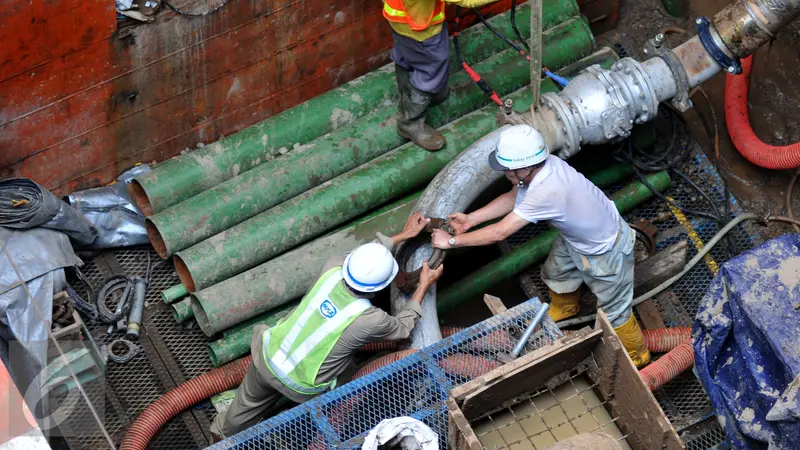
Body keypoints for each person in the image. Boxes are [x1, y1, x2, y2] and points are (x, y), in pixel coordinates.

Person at [430, 124, 651, 367]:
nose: (505, 174)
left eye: (508, 170)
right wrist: (470, 219)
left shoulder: (548, 190)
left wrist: (451, 241)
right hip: (577, 241)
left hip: (606, 252)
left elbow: (499, 232)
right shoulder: (543, 166)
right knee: (555, 272)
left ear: (525, 167)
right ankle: (566, 308)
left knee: (615, 312)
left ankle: (636, 356)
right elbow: (514, 197)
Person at [211, 212, 444, 439]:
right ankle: (311, 427)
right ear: (380, 287)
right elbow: (404, 327)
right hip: (300, 387)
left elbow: (360, 258)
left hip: (268, 356)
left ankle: (222, 435)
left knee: (244, 408)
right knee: (351, 376)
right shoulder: (370, 319)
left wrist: (404, 234)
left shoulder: (332, 267)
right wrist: (424, 284)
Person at [383, 0, 500, 151]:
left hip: (403, 20)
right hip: (423, 31)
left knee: (407, 55)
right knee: (432, 70)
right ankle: (410, 123)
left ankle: (424, 94)